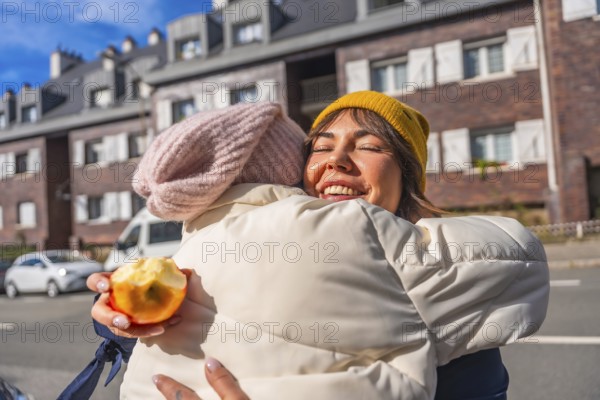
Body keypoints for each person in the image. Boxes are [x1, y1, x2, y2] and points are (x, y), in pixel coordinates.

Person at [87, 94, 549, 400]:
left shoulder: (460, 320)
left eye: (369, 146)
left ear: (409, 178)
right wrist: (117, 313)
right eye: (320, 147)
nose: (336, 161)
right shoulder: (258, 251)